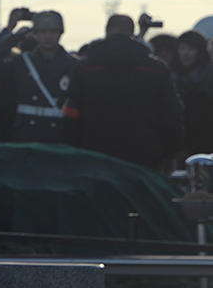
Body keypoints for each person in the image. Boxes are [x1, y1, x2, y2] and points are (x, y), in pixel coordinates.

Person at [63, 14, 184, 172]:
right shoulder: (157, 70)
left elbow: (71, 114)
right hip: (144, 158)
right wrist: (170, 154)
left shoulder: (84, 69)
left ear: (106, 32)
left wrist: (72, 149)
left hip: (94, 155)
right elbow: (171, 115)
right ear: (132, 33)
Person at [0, 8, 76, 143]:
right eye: (42, 32)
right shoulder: (22, 62)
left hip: (58, 133)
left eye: (52, 32)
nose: (48, 37)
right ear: (35, 34)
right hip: (26, 132)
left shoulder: (73, 65)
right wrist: (15, 37)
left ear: (60, 33)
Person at [173, 30, 213, 156]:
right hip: (179, 140)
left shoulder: (208, 76)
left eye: (191, 49)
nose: (186, 53)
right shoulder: (171, 76)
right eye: (182, 48)